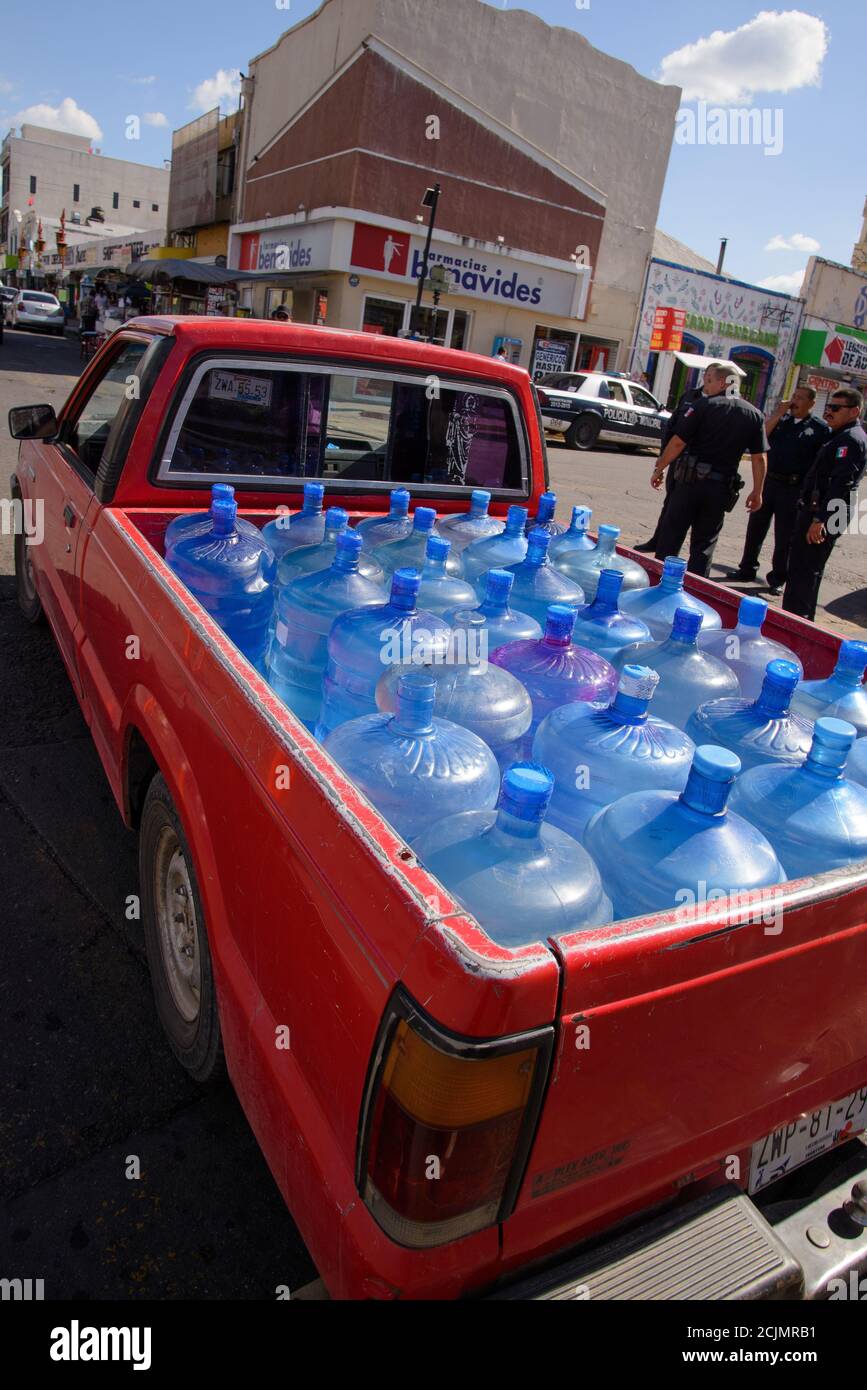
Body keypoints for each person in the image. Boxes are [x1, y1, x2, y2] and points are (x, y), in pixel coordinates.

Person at [650, 362, 768, 577]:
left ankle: (659, 581)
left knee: (672, 535)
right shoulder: (754, 415)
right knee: (704, 544)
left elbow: (678, 442)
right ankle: (697, 592)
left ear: (724, 383)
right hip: (721, 487)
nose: (708, 386)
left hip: (689, 483)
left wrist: (660, 468)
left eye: (711, 381)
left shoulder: (705, 406)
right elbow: (759, 458)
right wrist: (757, 491)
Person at [732, 385, 831, 593]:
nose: (794, 401)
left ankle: (777, 578)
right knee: (756, 527)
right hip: (771, 482)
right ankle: (747, 568)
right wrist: (778, 413)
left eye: (800, 398)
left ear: (812, 403)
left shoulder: (820, 428)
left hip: (794, 487)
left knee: (784, 535)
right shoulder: (782, 420)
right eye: (794, 396)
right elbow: (762, 437)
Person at [782, 387, 867, 622]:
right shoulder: (839, 434)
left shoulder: (850, 439)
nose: (829, 411)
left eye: (836, 408)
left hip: (827, 512)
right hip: (822, 509)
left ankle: (795, 621)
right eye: (829, 406)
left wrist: (820, 519)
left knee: (806, 570)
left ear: (854, 411)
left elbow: (842, 483)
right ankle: (795, 618)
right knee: (802, 567)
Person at [634, 378, 706, 552]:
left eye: (711, 376)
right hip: (677, 459)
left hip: (697, 465)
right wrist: (663, 457)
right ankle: (657, 541)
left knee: (683, 513)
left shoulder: (714, 405)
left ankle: (668, 553)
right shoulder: (690, 396)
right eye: (707, 374)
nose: (707, 378)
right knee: (669, 504)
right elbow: (672, 427)